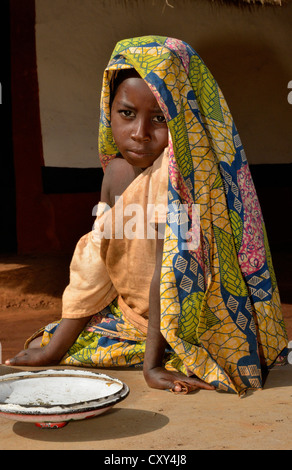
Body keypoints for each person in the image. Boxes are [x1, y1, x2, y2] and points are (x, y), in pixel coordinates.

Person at [5, 36, 288, 395]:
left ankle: (160, 354)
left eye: (159, 118)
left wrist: (152, 366)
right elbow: (97, 260)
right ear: (109, 109)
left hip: (189, 320)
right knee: (58, 340)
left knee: (200, 358)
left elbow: (166, 275)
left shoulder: (186, 189)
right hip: (132, 316)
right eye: (126, 113)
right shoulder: (115, 175)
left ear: (183, 119)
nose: (140, 134)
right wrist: (53, 350)